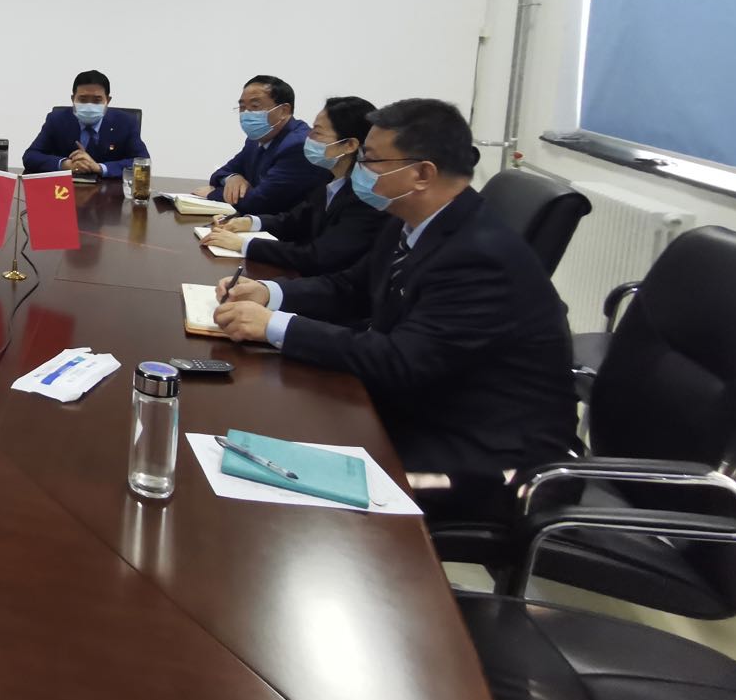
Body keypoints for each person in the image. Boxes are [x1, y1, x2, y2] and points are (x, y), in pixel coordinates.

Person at [212, 99, 575, 514]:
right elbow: (351, 288)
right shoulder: (411, 223)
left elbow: (401, 361)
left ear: (422, 173)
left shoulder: (480, 256)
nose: (361, 170)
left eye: (371, 160)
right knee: (271, 427)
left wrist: (275, 326)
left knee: (284, 485)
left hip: (487, 459)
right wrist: (269, 293)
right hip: (420, 411)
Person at [202, 95, 387, 275]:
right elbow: (296, 220)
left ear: (349, 145)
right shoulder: (329, 178)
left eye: (317, 132)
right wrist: (249, 222)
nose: (308, 137)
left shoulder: (365, 196)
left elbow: (318, 256)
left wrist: (244, 245)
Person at [198, 73, 329, 214]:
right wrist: (232, 178)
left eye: (255, 106)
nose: (246, 114)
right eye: (242, 107)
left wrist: (214, 193)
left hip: (291, 226)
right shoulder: (256, 139)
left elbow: (260, 203)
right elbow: (221, 173)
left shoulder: (298, 145)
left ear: (283, 111)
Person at [22, 69, 150, 178]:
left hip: (110, 193)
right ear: (73, 99)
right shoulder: (57, 120)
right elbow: (30, 156)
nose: (89, 105)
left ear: (108, 100)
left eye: (97, 100)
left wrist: (99, 167)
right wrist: (65, 164)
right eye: (82, 100)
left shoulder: (125, 123)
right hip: (64, 192)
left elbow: (143, 163)